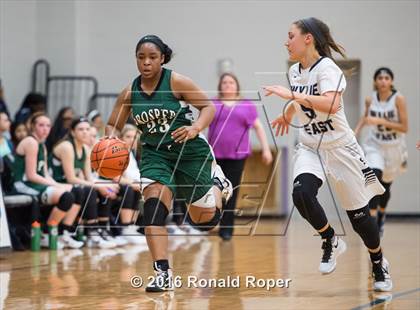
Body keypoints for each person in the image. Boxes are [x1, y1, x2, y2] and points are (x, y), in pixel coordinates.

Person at [265, 17, 392, 292]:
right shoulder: (296, 71)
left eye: (291, 36)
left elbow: (332, 104)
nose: (286, 42)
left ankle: (378, 261)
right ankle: (330, 239)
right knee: (301, 194)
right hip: (311, 147)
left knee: (359, 218)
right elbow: (298, 102)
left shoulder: (328, 69)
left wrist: (290, 96)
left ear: (308, 38)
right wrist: (286, 115)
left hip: (341, 148)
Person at [105, 35, 233, 292]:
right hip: (155, 155)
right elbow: (113, 125)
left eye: (152, 57)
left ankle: (219, 184)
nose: (146, 63)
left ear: (162, 58)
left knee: (204, 222)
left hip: (190, 153)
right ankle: (162, 271)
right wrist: (110, 140)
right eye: (141, 58)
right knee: (153, 206)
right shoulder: (130, 92)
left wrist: (196, 127)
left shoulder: (176, 81)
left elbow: (208, 108)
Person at [208, 73, 273, 240]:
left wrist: (266, 149)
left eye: (231, 82)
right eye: (224, 82)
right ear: (220, 86)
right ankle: (208, 223)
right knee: (213, 190)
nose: (228, 85)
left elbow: (258, 127)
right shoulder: (212, 104)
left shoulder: (247, 105)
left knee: (231, 192)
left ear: (237, 85)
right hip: (215, 156)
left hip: (237, 156)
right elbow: (201, 126)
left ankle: (226, 229)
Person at [13, 112, 84, 249]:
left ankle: (64, 233)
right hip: (23, 184)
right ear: (32, 126)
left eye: (48, 125)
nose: (45, 129)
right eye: (41, 125)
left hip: (37, 183)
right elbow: (31, 175)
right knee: (66, 196)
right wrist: (56, 186)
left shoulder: (42, 146)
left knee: (77, 191)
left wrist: (58, 185)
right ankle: (47, 233)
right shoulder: (30, 142)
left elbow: (44, 173)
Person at [354, 67, 408, 237]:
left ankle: (381, 215)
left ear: (391, 81)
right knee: (373, 178)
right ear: (375, 81)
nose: (383, 80)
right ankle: (372, 223)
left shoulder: (398, 99)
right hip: (374, 145)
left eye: (386, 78)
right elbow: (365, 116)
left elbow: (404, 127)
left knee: (385, 185)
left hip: (393, 147)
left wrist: (380, 120)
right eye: (380, 78)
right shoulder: (370, 99)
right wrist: (354, 133)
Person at [50, 116, 119, 248]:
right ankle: (92, 233)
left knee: (106, 190)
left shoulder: (85, 149)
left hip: (72, 185)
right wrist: (99, 187)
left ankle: (99, 230)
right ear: (72, 132)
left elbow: (89, 178)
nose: (85, 132)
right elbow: (71, 178)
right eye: (81, 129)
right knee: (90, 190)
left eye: (87, 129)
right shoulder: (67, 147)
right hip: (58, 183)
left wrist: (106, 186)